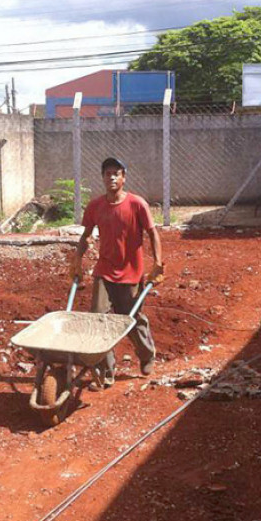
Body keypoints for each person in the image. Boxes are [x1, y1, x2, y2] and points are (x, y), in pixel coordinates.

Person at [69, 157, 165, 389]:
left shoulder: (137, 204)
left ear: (124, 177)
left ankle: (146, 354)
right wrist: (77, 260)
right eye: (107, 173)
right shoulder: (95, 206)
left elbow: (153, 234)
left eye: (116, 173)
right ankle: (105, 372)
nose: (111, 177)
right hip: (104, 270)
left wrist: (158, 264)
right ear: (102, 178)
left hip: (131, 273)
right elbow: (86, 236)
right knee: (98, 318)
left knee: (130, 319)